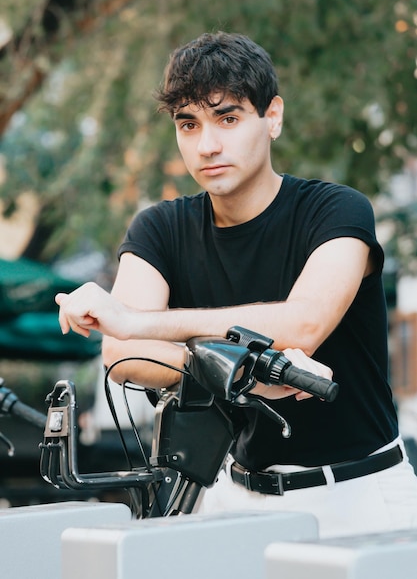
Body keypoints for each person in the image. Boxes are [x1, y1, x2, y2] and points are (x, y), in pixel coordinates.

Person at [55, 31, 417, 538]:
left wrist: (141, 322)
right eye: (189, 124)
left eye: (228, 118)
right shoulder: (161, 227)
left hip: (358, 495)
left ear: (273, 118)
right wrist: (236, 369)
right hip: (235, 495)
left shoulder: (337, 210)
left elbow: (302, 324)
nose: (207, 145)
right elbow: (122, 353)